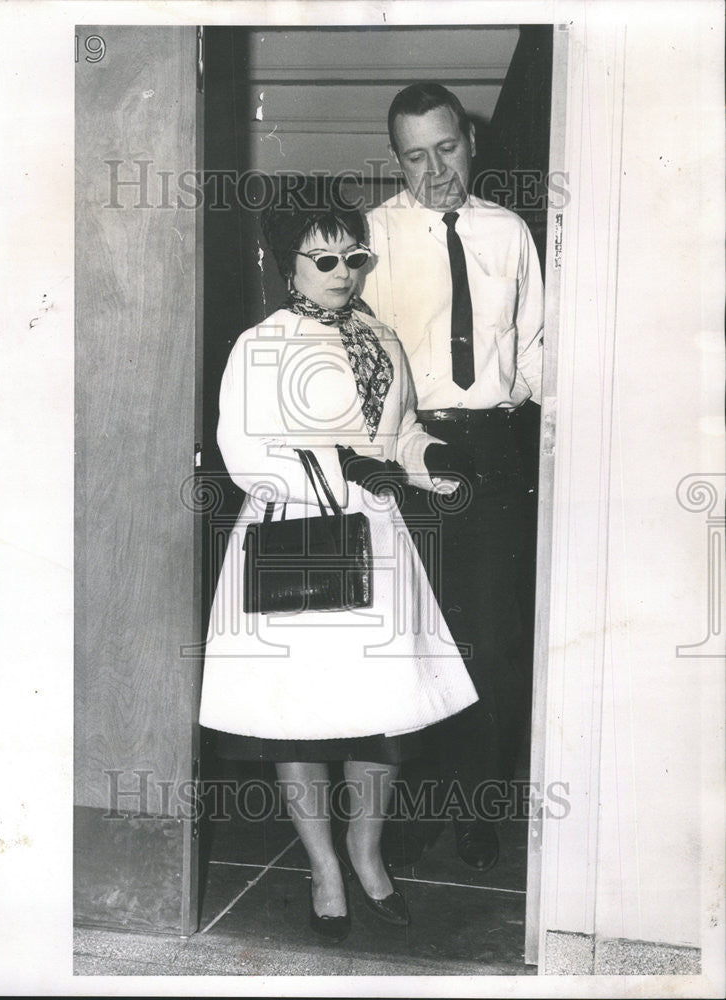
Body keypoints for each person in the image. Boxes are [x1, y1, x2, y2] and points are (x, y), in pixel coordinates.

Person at [199, 177, 478, 943]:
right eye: (323, 261)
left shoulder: (380, 337)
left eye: (354, 256)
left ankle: (366, 852)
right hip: (297, 542)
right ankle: (322, 866)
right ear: (285, 267)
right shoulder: (263, 345)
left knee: (383, 716)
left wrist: (429, 459)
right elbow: (244, 453)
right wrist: (341, 473)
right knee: (301, 717)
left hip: (377, 543)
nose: (344, 273)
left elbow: (400, 434)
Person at [361, 83, 544, 872]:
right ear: (396, 159)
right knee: (416, 641)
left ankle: (474, 804)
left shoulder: (510, 233)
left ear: (469, 140)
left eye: (446, 148)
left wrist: (521, 417)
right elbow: (365, 367)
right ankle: (417, 805)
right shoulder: (373, 237)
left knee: (494, 642)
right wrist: (405, 450)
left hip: (497, 453)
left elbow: (536, 347)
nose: (434, 170)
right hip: (415, 450)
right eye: (414, 156)